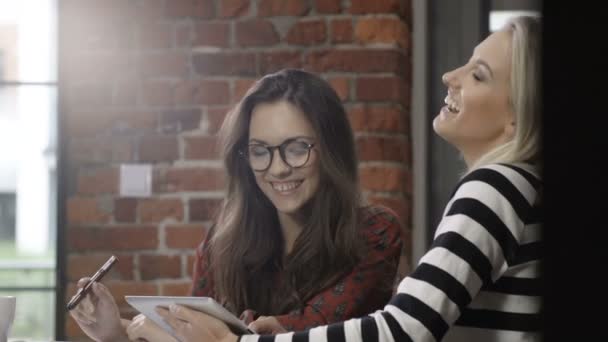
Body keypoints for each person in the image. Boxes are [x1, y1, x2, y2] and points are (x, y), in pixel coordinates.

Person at [154, 15, 543, 342]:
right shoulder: (516, 187)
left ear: (517, 114)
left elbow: (405, 328)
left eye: (478, 75)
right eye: (260, 150)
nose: (449, 76)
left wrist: (239, 341)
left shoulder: (494, 187)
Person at [69, 69, 404, 341]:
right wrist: (114, 333)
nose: (278, 168)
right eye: (260, 151)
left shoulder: (373, 232)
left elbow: (312, 330)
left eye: (297, 147)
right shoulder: (223, 240)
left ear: (331, 150)